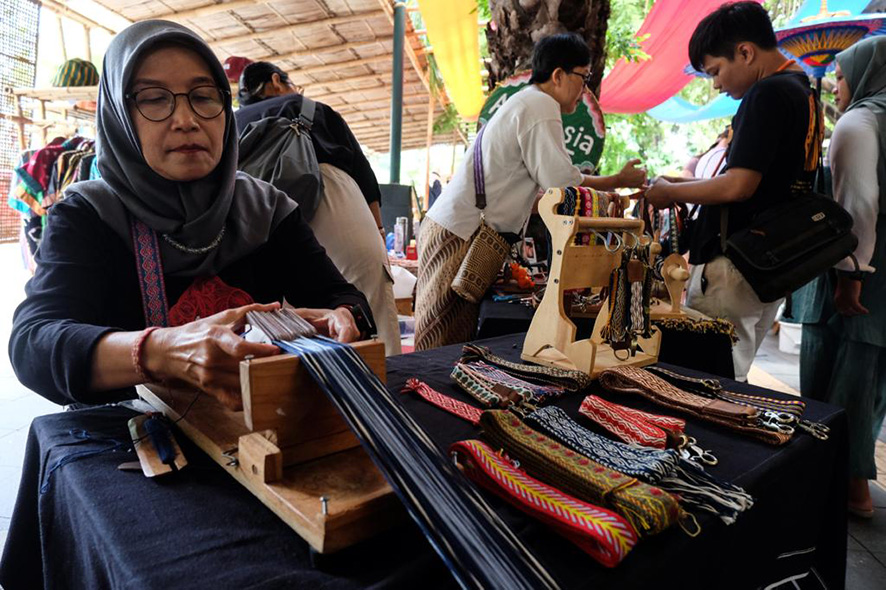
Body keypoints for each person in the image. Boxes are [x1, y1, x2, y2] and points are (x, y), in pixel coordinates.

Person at [9, 20, 373, 410]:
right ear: (118, 113)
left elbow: (342, 298)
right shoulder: (89, 215)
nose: (186, 119)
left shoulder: (266, 209)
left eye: (203, 96)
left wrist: (340, 317)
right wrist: (158, 351)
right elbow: (34, 343)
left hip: (249, 429)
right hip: (131, 443)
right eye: (153, 99)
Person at [415, 32, 647, 350]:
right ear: (558, 75)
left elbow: (542, 188)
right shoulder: (541, 104)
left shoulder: (525, 102)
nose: (585, 88)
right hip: (460, 232)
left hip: (457, 228)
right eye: (584, 76)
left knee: (447, 338)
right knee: (440, 344)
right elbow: (562, 182)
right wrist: (617, 179)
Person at [646, 2, 819, 381]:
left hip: (734, 266)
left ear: (745, 52)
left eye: (716, 71)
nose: (717, 84)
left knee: (704, 381)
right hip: (767, 262)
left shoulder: (766, 95)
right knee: (733, 376)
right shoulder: (803, 90)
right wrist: (678, 185)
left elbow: (741, 186)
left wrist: (673, 193)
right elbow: (762, 181)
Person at [235, 61, 401, 355]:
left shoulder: (233, 123)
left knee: (284, 320)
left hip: (257, 206)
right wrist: (377, 232)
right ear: (276, 81)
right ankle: (382, 383)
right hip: (330, 193)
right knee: (364, 296)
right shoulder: (309, 107)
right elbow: (364, 176)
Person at [798, 36, 886, 518]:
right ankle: (849, 484)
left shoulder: (862, 120)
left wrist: (851, 274)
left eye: (842, 75)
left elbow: (860, 205)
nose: (836, 87)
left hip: (859, 275)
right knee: (870, 383)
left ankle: (844, 487)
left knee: (841, 376)